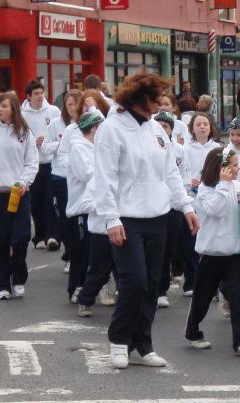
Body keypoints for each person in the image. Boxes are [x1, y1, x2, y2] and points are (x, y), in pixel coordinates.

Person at [94, 72, 199, 369]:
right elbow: (104, 178)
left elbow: (170, 173)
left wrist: (186, 207)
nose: (160, 106)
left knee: (152, 283)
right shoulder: (111, 129)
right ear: (139, 99)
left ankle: (143, 343)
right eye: (155, 101)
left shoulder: (157, 130)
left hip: (159, 217)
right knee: (134, 281)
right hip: (126, 218)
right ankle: (118, 340)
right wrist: (111, 219)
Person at [185, 147, 240, 356]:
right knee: (203, 295)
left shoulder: (236, 186)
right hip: (212, 252)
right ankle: (192, 331)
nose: (238, 168)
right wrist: (224, 186)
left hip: (235, 252)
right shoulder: (205, 189)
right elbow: (214, 211)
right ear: (221, 168)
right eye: (233, 165)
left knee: (238, 296)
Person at [0, 93, 38, 300]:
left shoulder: (24, 131)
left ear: (13, 108)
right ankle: (2, 285)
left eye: (3, 106)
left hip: (19, 193)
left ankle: (19, 277)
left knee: (21, 237)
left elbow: (32, 162)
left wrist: (23, 181)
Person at [42, 89, 82, 274]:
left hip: (81, 178)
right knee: (66, 219)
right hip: (61, 176)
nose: (72, 108)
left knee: (80, 221)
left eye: (75, 104)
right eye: (69, 104)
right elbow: (45, 147)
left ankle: (78, 255)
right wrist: (62, 145)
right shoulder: (57, 124)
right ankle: (71, 256)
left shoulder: (86, 123)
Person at [66, 112, 103, 306]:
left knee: (95, 253)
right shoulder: (78, 147)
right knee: (81, 251)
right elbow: (86, 174)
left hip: (98, 208)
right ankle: (76, 287)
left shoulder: (99, 148)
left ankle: (96, 287)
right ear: (93, 128)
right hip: (81, 208)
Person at [181, 112, 220, 297]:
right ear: (192, 129)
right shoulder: (185, 149)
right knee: (191, 244)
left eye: (205, 124)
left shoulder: (219, 149)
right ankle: (191, 283)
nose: (202, 127)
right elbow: (178, 173)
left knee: (211, 243)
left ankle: (212, 286)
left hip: (212, 200)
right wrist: (190, 181)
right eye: (198, 124)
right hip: (192, 200)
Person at [21, 79, 61, 251]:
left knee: (50, 201)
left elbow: (60, 133)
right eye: (36, 94)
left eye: (41, 92)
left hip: (50, 162)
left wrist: (46, 141)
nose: (39, 96)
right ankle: (39, 236)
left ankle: (53, 236)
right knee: (36, 203)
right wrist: (33, 142)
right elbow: (19, 138)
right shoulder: (22, 114)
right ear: (28, 96)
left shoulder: (53, 111)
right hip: (33, 164)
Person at [154, 111, 185, 309]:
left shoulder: (180, 150)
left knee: (168, 250)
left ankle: (161, 290)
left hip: (173, 206)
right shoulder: (149, 146)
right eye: (158, 125)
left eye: (165, 126)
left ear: (172, 129)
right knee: (154, 250)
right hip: (155, 206)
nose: (162, 129)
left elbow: (181, 175)